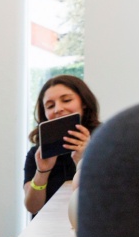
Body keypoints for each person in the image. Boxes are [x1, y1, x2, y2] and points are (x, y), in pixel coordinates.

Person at [24, 74, 99, 217]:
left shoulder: (104, 142)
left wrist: (83, 160)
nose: (58, 109)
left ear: (83, 102)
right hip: (47, 231)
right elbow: (32, 207)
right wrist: (42, 171)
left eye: (67, 100)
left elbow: (107, 198)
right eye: (50, 106)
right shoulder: (38, 153)